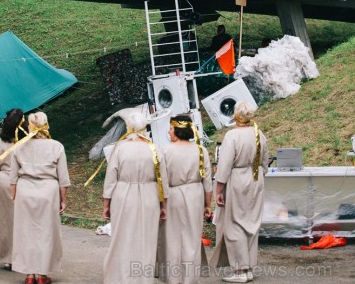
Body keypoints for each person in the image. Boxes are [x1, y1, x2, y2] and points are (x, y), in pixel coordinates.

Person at [103, 111, 168, 284]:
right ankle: (142, 278)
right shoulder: (153, 148)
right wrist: (163, 205)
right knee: (146, 237)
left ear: (128, 127)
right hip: (149, 195)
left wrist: (106, 204)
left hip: (123, 194)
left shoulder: (120, 148)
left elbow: (111, 178)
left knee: (123, 236)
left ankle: (122, 277)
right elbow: (162, 179)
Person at [210, 102, 269, 283]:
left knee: (234, 224)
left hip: (238, 179)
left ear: (235, 115)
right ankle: (249, 267)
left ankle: (240, 270)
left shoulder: (232, 135)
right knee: (252, 222)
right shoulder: (259, 134)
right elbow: (265, 163)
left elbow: (225, 165)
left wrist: (218, 189)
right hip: (256, 179)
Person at [10, 111, 70, 284]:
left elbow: (13, 178)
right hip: (48, 192)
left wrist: (14, 198)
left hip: (25, 190)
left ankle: (29, 274)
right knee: (46, 233)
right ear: (47, 125)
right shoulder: (56, 146)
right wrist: (63, 200)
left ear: (30, 126)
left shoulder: (19, 146)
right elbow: (63, 178)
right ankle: (42, 275)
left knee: (25, 232)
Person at [158, 114, 212, 284]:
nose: (168, 132)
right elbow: (207, 181)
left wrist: (162, 205)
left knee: (172, 239)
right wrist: (207, 205)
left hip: (173, 196)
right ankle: (189, 279)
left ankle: (174, 279)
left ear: (177, 130)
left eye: (171, 128)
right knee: (192, 238)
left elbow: (162, 182)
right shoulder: (200, 150)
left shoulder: (165, 151)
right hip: (195, 195)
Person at [0, 108, 28, 270]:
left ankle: (8, 257)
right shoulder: (26, 143)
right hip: (21, 181)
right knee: (23, 220)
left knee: (6, 220)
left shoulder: (0, 143)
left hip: (4, 181)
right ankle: (23, 256)